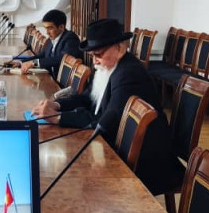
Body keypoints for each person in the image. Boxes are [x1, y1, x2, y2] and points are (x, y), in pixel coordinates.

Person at [31, 18, 180, 195]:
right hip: (115, 145)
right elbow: (86, 98)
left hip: (145, 162)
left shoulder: (129, 74)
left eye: (98, 55)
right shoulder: (109, 66)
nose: (94, 61)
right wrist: (56, 105)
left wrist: (58, 118)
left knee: (73, 181)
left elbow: (106, 121)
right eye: (92, 55)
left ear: (120, 48)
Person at [14, 10, 82, 77]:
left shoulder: (70, 38)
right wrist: (21, 62)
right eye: (46, 28)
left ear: (61, 27)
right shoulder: (51, 38)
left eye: (50, 28)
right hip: (49, 76)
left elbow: (61, 59)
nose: (47, 32)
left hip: (57, 82)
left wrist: (34, 63)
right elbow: (43, 55)